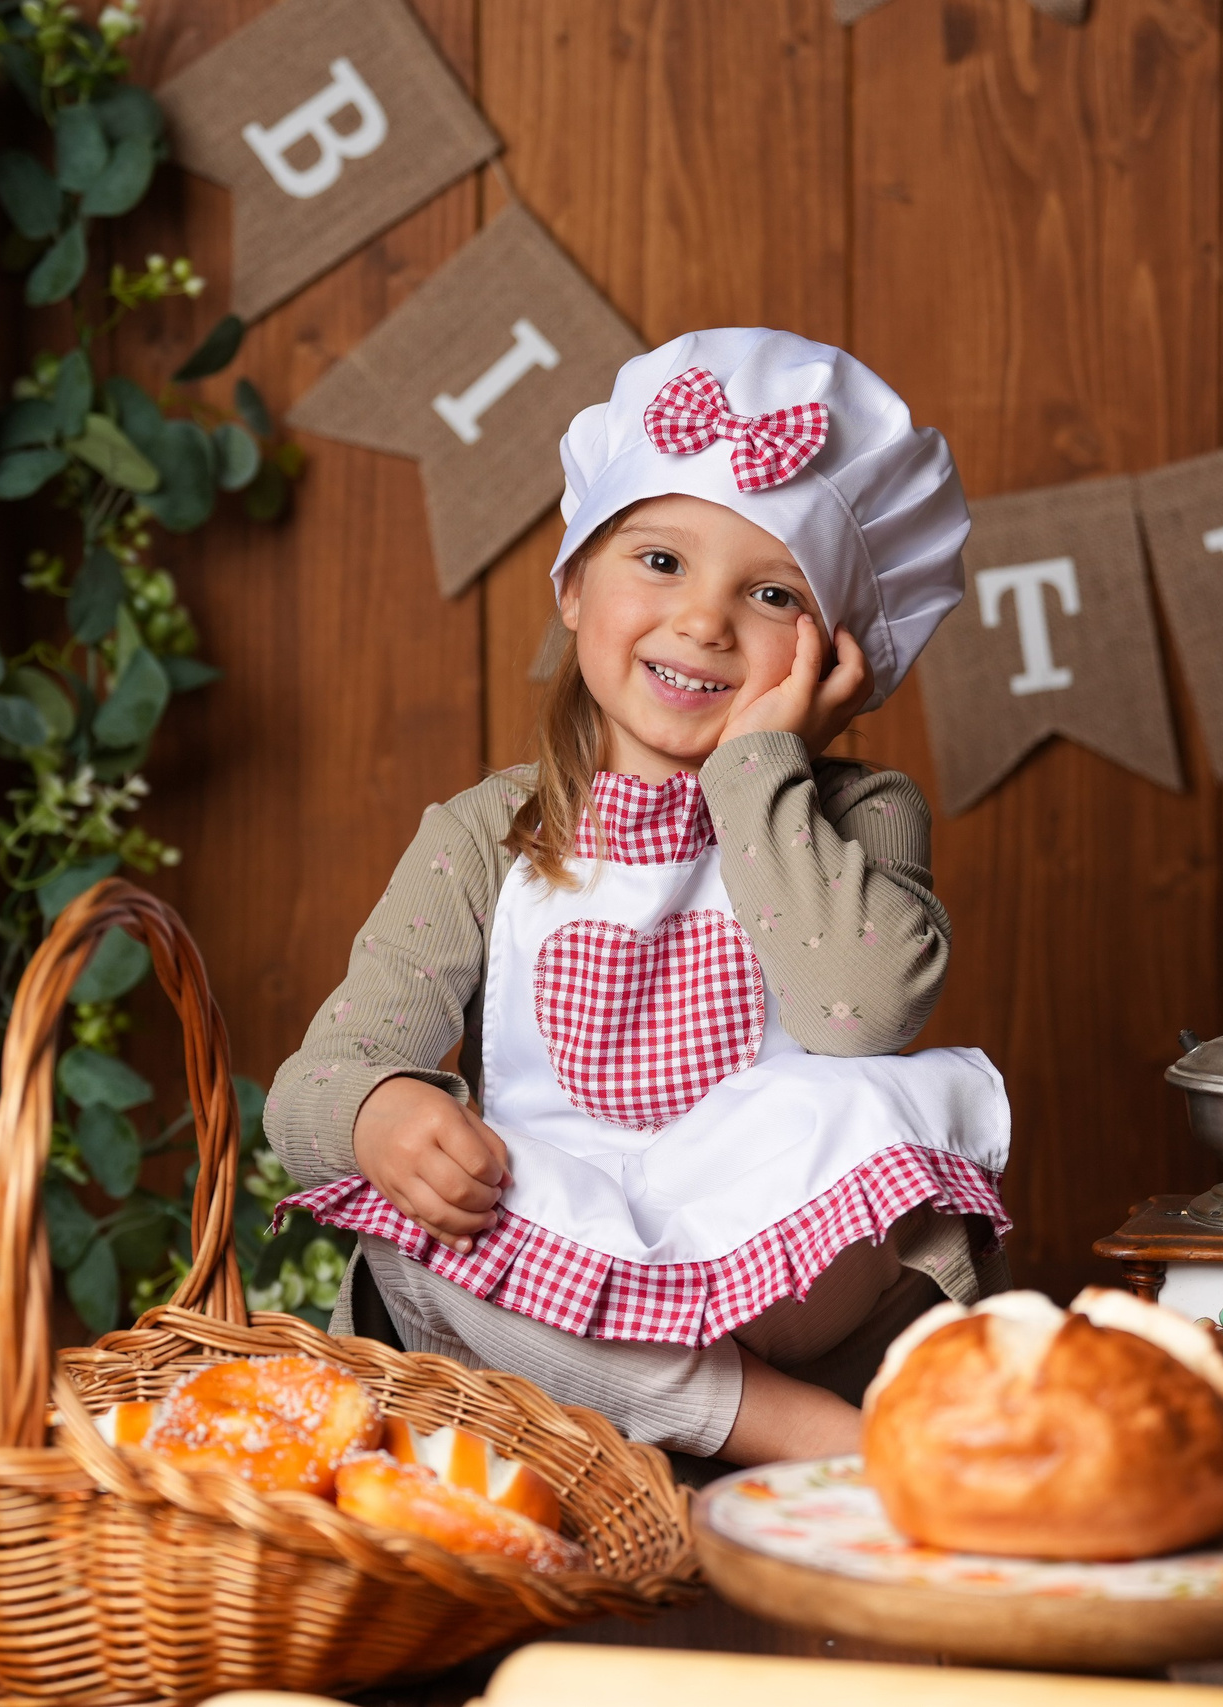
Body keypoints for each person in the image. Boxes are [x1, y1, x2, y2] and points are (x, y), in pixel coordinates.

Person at [265, 328, 1010, 1465]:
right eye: (658, 562)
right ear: (572, 586)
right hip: (553, 1277)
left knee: (873, 1121)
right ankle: (820, 1446)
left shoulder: (861, 811)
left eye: (769, 593)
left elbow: (861, 1016)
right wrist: (379, 1115)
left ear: (838, 658)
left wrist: (759, 771)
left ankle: (749, 1413)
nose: (703, 622)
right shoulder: (486, 834)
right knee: (407, 1248)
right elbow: (310, 1088)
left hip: (779, 1285)